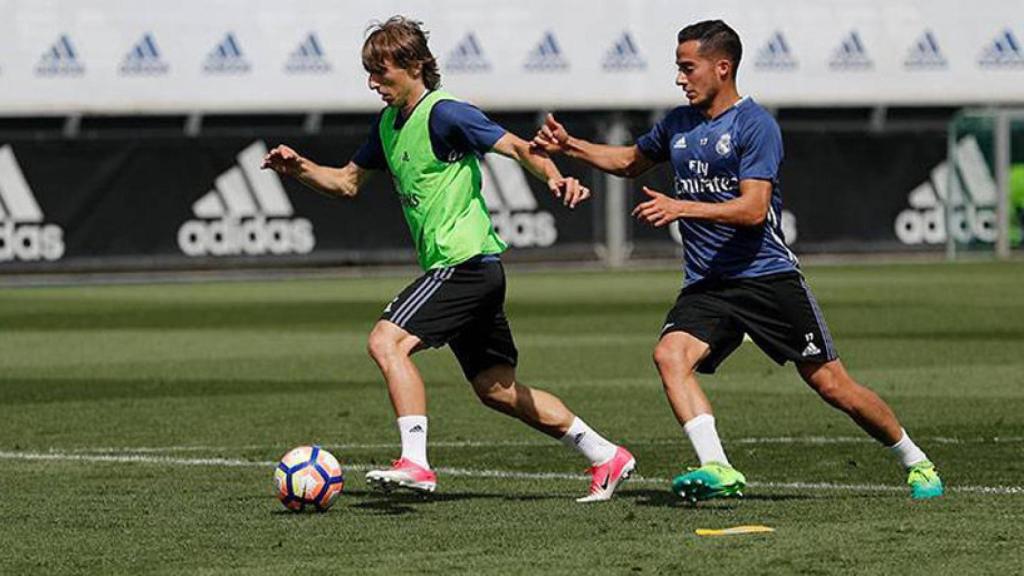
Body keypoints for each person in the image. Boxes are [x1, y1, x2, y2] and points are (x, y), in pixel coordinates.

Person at [532, 20, 942, 501]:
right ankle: (718, 468)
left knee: (832, 385)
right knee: (669, 355)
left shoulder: (755, 125)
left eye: (688, 68)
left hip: (767, 278)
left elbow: (752, 210)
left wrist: (681, 206)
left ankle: (916, 461)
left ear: (722, 67)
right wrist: (571, 147)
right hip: (708, 284)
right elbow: (629, 162)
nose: (680, 78)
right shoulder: (679, 123)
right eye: (678, 69)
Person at [261, 16, 634, 502]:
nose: (374, 82)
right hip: (467, 270)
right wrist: (301, 169)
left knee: (386, 341)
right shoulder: (389, 125)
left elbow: (519, 147)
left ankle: (415, 462)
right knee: (497, 389)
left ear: (415, 65)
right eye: (368, 72)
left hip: (467, 265)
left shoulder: (445, 113)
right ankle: (606, 455)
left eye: (382, 71)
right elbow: (347, 183)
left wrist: (555, 178)